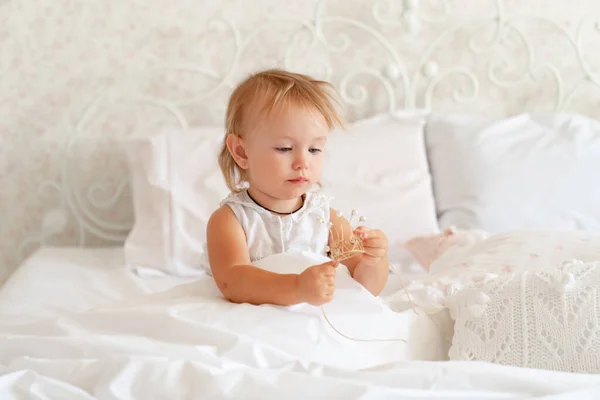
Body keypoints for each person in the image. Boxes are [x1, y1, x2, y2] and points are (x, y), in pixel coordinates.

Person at [206, 68, 389, 307]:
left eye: (314, 149)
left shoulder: (327, 220)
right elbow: (233, 281)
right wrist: (296, 288)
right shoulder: (231, 221)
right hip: (253, 319)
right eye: (284, 148)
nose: (303, 162)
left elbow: (364, 288)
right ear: (242, 152)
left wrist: (373, 262)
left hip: (313, 322)